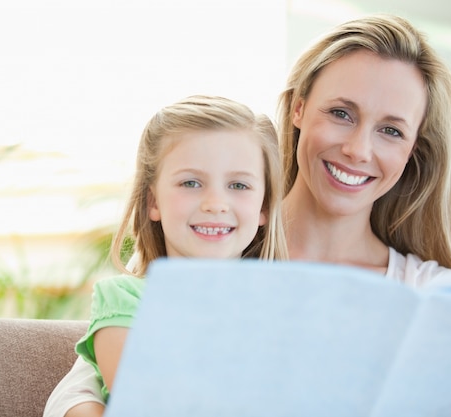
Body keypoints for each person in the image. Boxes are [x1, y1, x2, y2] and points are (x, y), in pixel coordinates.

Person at [44, 13, 451, 417]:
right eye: (341, 113)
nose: (359, 150)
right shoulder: (216, 242)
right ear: (299, 108)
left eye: (392, 130)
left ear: (414, 148)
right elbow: (84, 388)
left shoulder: (433, 298)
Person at [44, 94, 289, 415]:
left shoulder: (283, 306)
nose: (215, 203)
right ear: (153, 203)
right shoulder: (124, 299)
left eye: (239, 186)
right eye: (191, 182)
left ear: (265, 206)